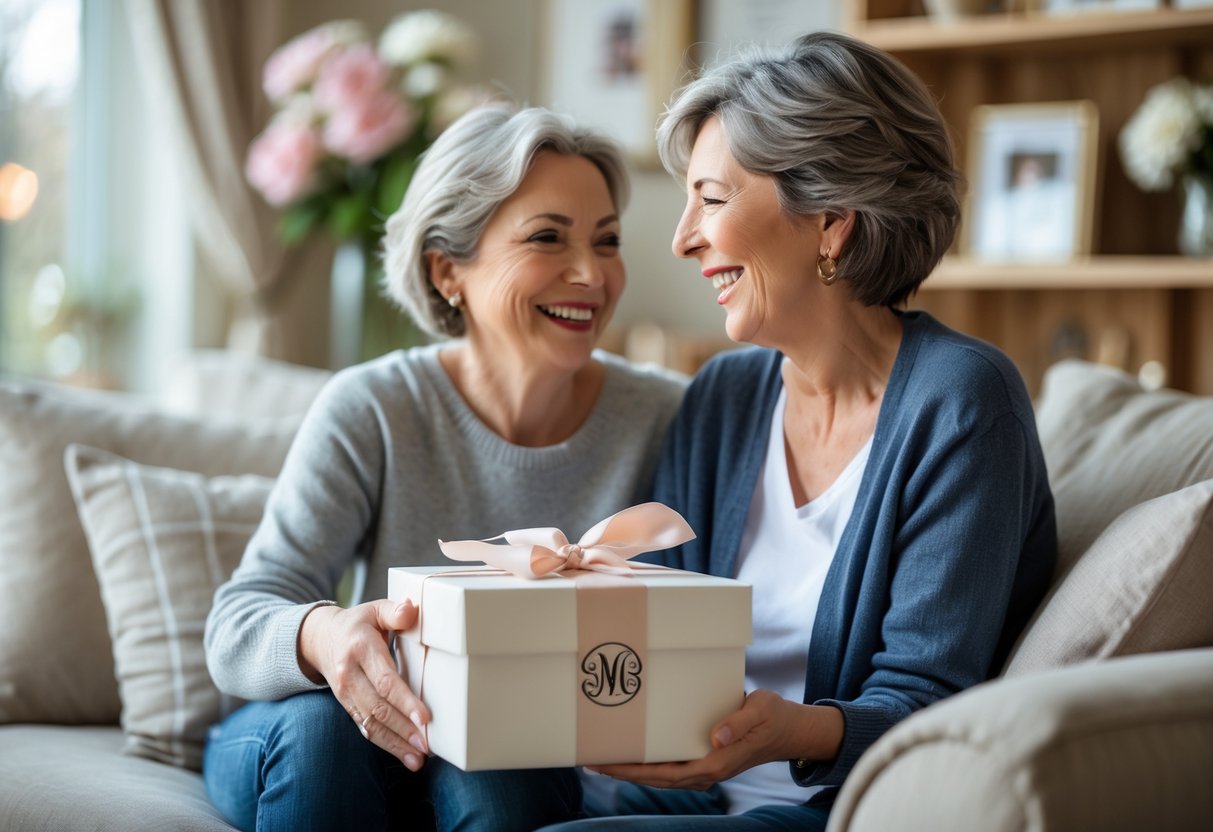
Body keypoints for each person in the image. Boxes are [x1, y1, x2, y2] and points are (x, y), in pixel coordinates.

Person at [541, 31, 1057, 831]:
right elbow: (655, 637)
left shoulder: (962, 402)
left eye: (710, 200)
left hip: (837, 808)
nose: (681, 239)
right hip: (686, 794)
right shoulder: (723, 395)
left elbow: (927, 704)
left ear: (830, 221)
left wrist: (789, 731)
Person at [202, 103, 687, 832]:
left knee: (506, 765)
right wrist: (325, 636)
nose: (591, 274)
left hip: (510, 751)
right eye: (547, 237)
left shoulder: (666, 415)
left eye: (607, 240)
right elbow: (237, 622)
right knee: (321, 734)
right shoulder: (374, 406)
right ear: (447, 269)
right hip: (332, 740)